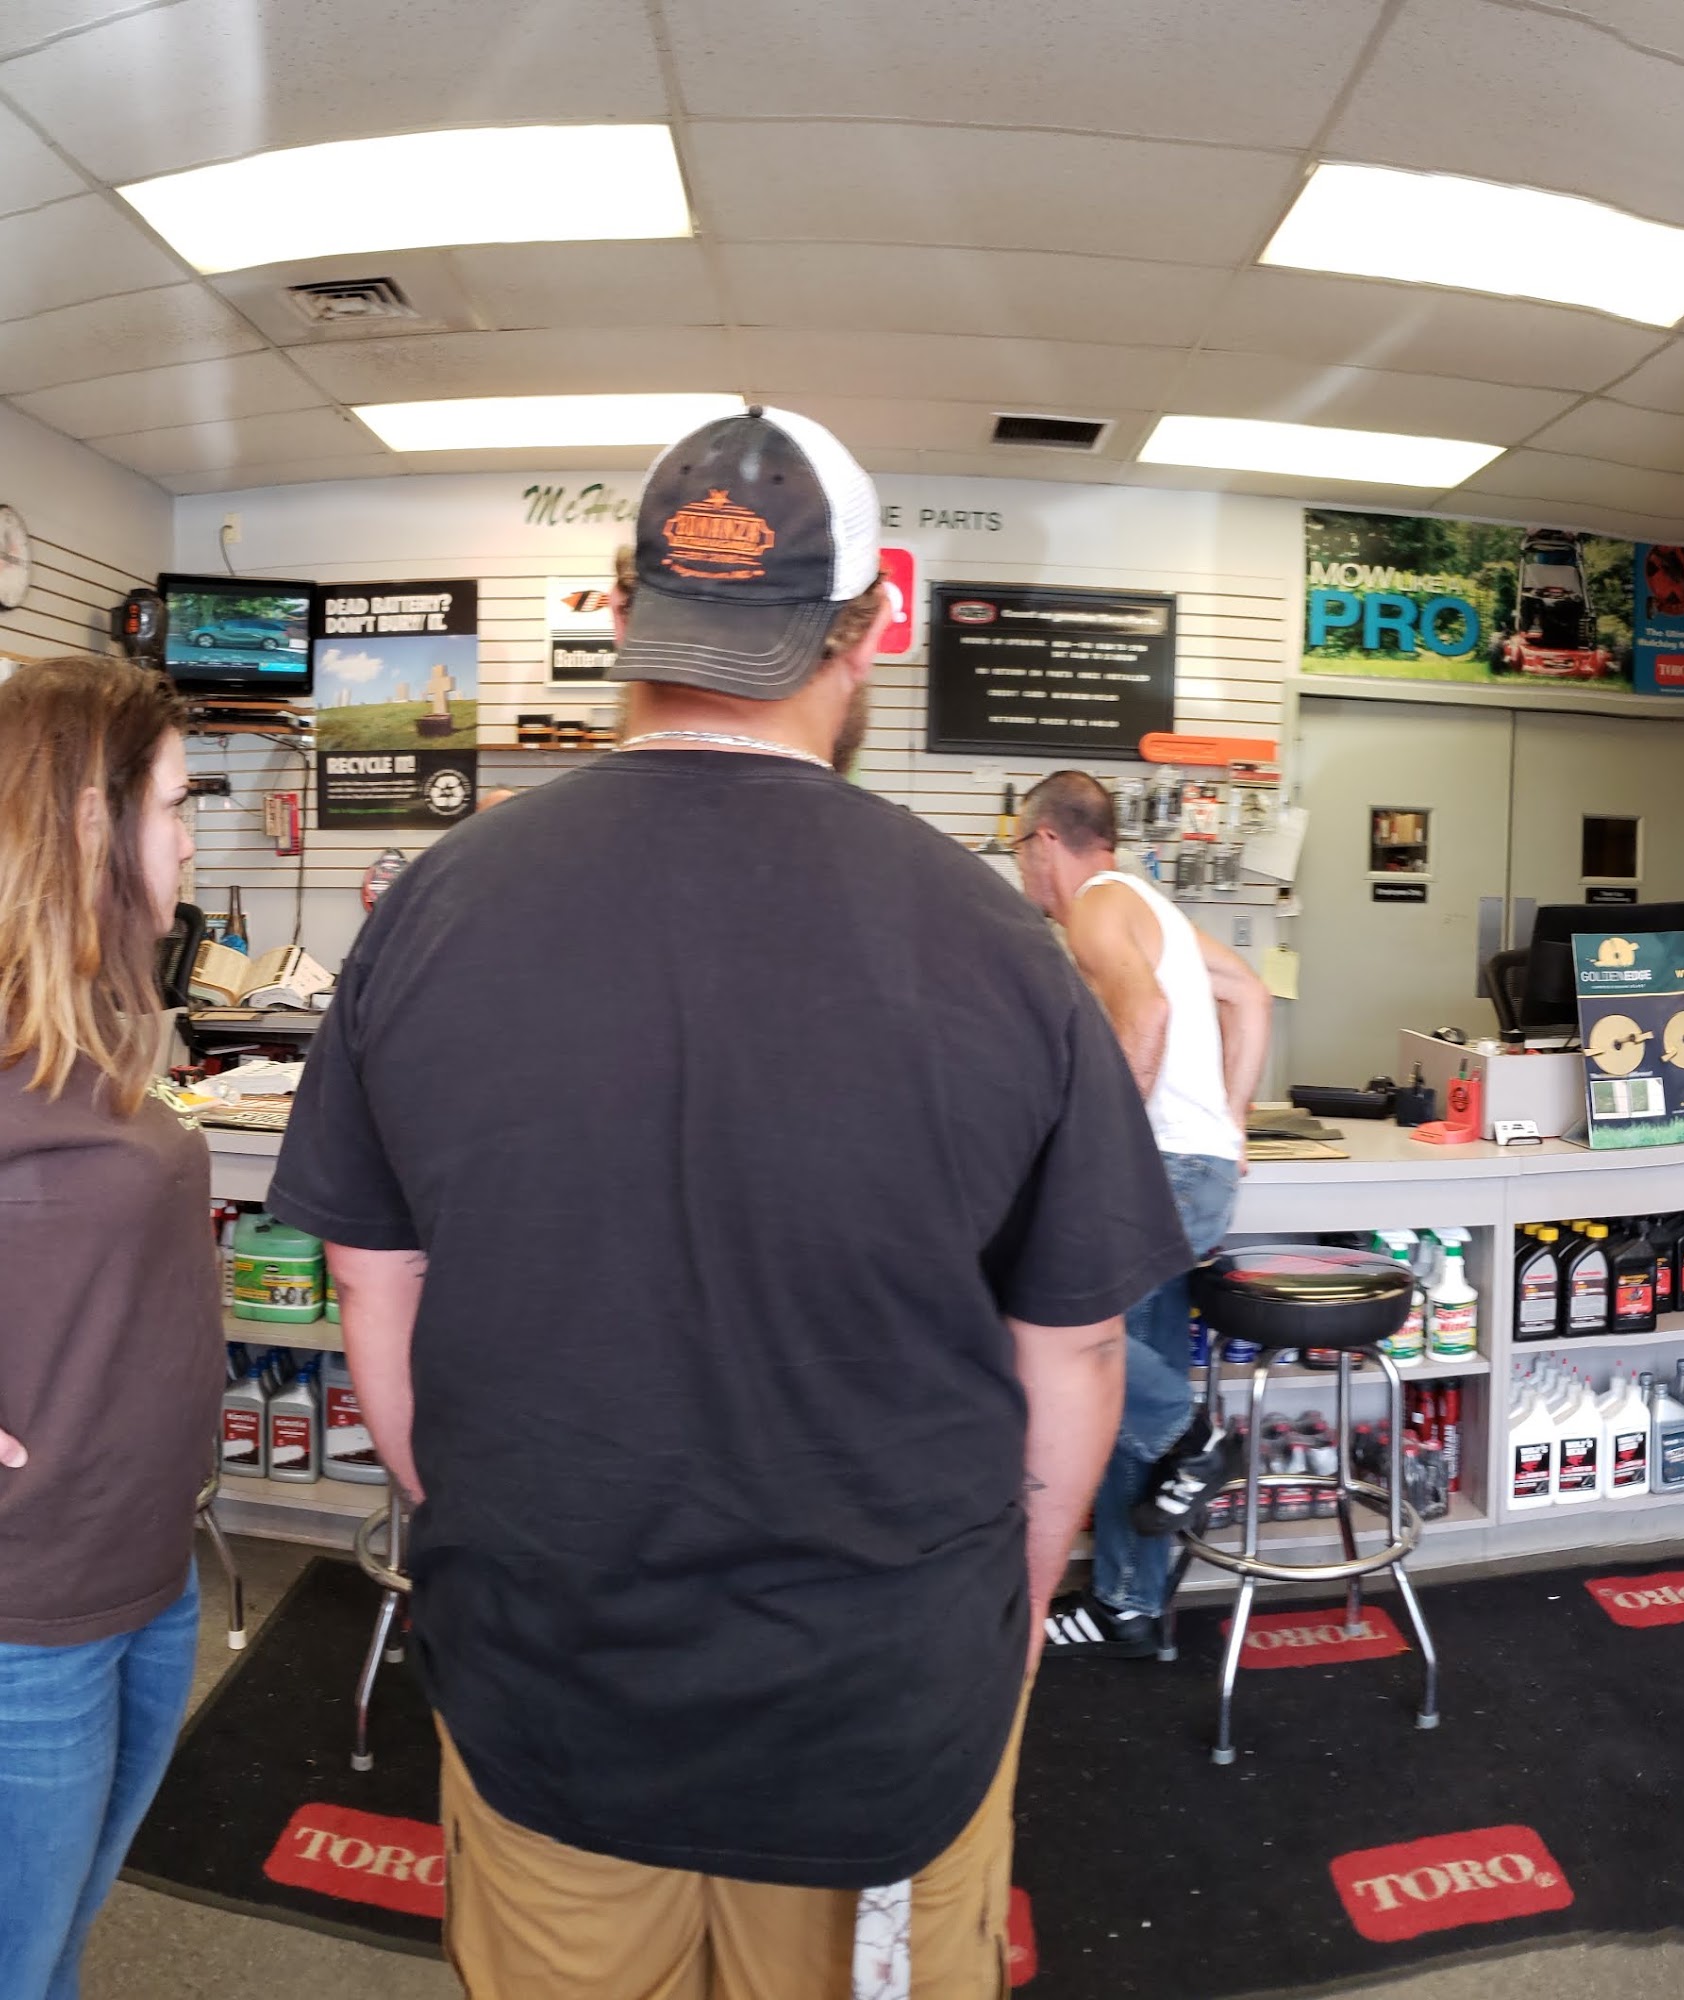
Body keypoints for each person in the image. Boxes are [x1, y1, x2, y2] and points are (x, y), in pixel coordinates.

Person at [268, 406, 1187, 1999]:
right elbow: (1077, 1350)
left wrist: (491, 1531)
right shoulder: (994, 942)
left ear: (627, 614)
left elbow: (373, 1288)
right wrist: (1009, 1615)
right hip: (882, 1706)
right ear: (866, 634)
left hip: (547, 1675)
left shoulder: (435, 904)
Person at [0, 655, 215, 2000]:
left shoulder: (82, 1028)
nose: (190, 839)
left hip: (144, 1566)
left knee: (56, 1945)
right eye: (176, 805)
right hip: (26, 1609)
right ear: (91, 818)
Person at [1011, 772, 1273, 1659]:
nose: (1021, 871)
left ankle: (1195, 1441)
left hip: (1158, 1171)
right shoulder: (1149, 906)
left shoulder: (1095, 907)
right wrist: (1231, 1122)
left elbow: (1147, 1015)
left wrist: (1094, 1153)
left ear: (1046, 841)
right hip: (1194, 1170)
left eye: (1018, 850)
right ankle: (1128, 1603)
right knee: (1128, 1372)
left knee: (1067, 1342)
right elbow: (1250, 995)